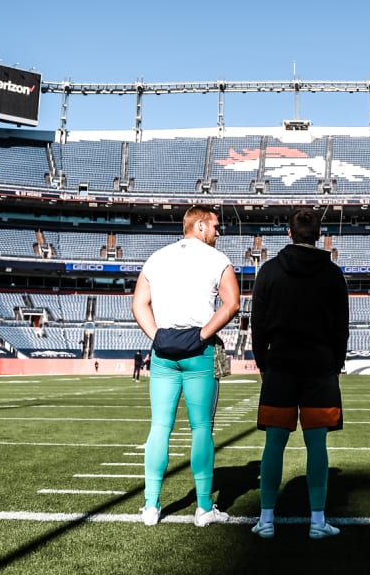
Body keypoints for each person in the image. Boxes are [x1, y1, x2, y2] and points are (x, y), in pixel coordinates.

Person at [131, 205, 239, 528]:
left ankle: (151, 506)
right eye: (216, 227)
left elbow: (138, 304)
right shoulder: (216, 259)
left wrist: (158, 336)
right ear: (202, 225)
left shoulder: (157, 257)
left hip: (164, 351)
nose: (219, 233)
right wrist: (203, 334)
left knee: (159, 427)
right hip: (198, 351)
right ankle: (204, 508)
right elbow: (233, 302)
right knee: (201, 428)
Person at [249, 208, 349, 540]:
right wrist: (335, 362)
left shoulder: (270, 270)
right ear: (318, 235)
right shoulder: (333, 274)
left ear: (289, 234)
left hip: (280, 364)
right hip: (320, 366)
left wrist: (263, 361)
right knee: (317, 444)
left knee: (274, 443)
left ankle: (266, 520)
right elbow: (341, 327)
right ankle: (317, 521)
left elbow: (258, 323)